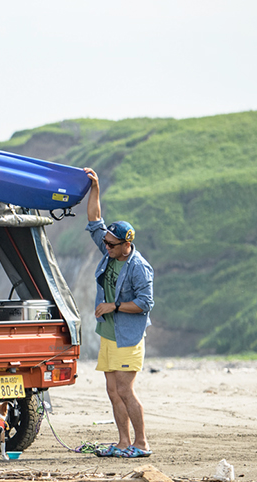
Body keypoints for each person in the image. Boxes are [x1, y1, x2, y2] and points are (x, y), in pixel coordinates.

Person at [83, 168, 154, 458]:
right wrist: (95, 188)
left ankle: (142, 444)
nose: (106, 247)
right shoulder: (110, 250)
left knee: (125, 390)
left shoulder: (138, 267)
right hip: (109, 333)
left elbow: (145, 303)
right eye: (107, 243)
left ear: (127, 244)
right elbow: (94, 221)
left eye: (112, 244)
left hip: (128, 335)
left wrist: (113, 306)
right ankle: (123, 443)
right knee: (112, 391)